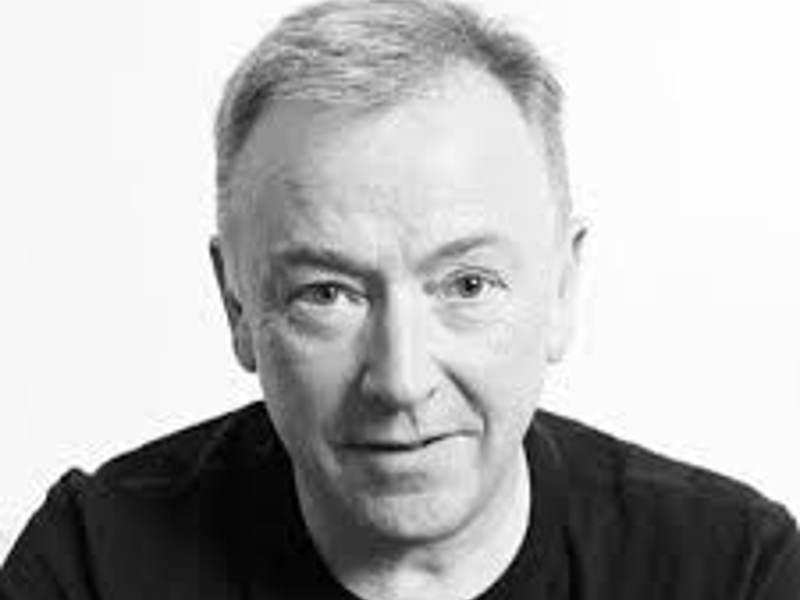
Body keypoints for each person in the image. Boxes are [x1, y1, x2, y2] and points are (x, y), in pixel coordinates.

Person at [2, 0, 798, 597]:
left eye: (467, 285)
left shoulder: (733, 573)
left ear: (561, 289)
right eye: (327, 293)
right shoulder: (93, 569)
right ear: (238, 306)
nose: (401, 379)